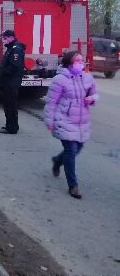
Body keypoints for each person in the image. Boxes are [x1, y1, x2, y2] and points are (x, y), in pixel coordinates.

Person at [44, 51, 98, 199]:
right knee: (70, 151)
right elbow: (51, 102)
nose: (81, 63)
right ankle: (73, 186)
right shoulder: (59, 79)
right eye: (77, 61)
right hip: (64, 119)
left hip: (81, 121)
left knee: (77, 148)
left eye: (82, 61)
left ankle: (57, 160)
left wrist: (91, 99)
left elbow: (95, 94)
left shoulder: (87, 77)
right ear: (69, 63)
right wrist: (49, 121)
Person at [0, 29, 26, 134]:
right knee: (7, 104)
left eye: (5, 38)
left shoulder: (16, 49)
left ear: (11, 38)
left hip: (11, 82)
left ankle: (12, 127)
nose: (3, 40)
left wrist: (3, 73)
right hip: (8, 81)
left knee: (11, 105)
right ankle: (9, 124)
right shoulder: (11, 48)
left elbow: (14, 66)